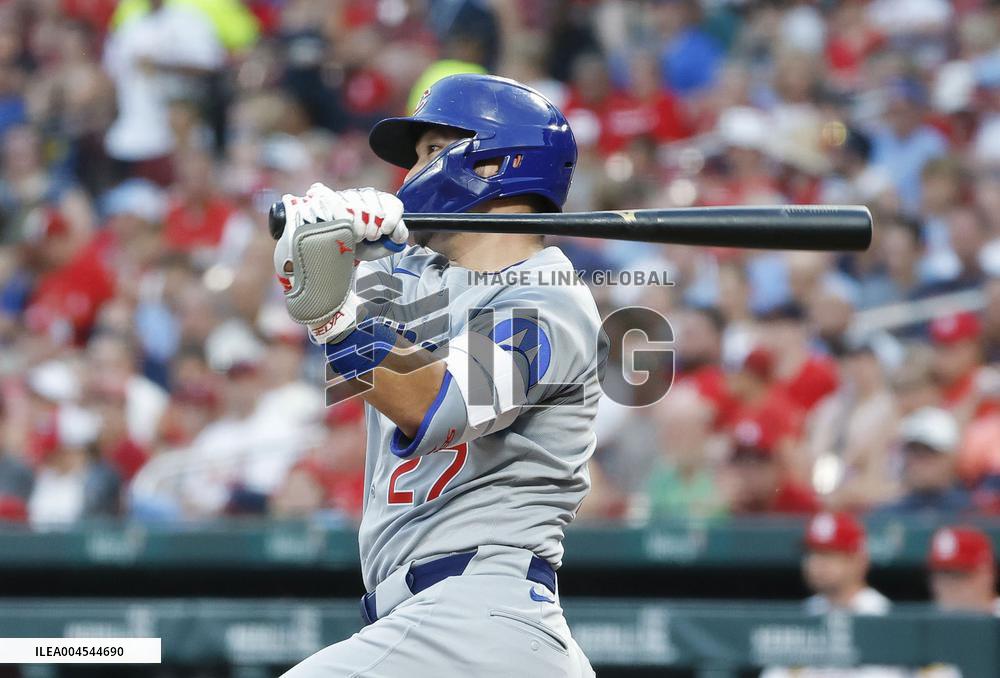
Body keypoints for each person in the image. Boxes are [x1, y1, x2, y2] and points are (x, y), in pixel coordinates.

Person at [276, 74, 603, 677]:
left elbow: (440, 402)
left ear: (495, 162)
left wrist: (332, 312)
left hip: (478, 615)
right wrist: (326, 235)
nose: (409, 176)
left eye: (429, 152)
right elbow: (309, 265)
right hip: (440, 626)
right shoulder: (418, 274)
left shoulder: (549, 298)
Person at [761, 512, 905, 678]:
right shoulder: (803, 614)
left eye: (827, 554)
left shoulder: (884, 614)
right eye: (811, 553)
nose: (815, 563)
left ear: (858, 560)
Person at [877, 407, 972, 516]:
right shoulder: (889, 512)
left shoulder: (969, 512)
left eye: (929, 452)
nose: (918, 462)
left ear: (950, 457)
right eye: (913, 451)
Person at [927, 525, 1000, 616]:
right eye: (942, 574)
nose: (949, 586)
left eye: (959, 575)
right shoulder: (926, 623)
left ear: (988, 574)